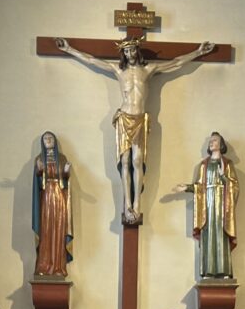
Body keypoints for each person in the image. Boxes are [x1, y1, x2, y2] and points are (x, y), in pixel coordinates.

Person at [54, 35, 215, 224]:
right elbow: (92, 60)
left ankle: (137, 203)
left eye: (132, 50)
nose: (130, 54)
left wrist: (198, 52)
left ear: (137, 51)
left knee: (138, 160)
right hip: (124, 118)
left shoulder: (148, 70)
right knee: (125, 161)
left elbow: (176, 63)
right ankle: (127, 204)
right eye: (126, 50)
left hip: (140, 119)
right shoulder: (118, 70)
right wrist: (68, 49)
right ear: (123, 53)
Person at [173, 131, 238, 279]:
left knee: (221, 234)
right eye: (210, 141)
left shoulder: (227, 164)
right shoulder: (204, 165)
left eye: (215, 140)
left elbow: (234, 186)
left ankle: (225, 271)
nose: (211, 142)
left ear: (221, 145)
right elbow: (200, 186)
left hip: (222, 204)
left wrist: (223, 175)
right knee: (208, 234)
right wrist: (187, 188)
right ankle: (208, 271)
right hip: (208, 204)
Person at [33, 131, 72, 277]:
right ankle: (44, 266)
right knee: (46, 231)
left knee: (59, 229)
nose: (48, 140)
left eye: (50, 138)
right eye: (45, 139)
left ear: (54, 141)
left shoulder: (61, 158)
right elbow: (37, 179)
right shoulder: (39, 158)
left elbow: (65, 178)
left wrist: (67, 171)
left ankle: (58, 267)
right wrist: (39, 169)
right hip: (46, 197)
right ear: (42, 142)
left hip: (59, 197)